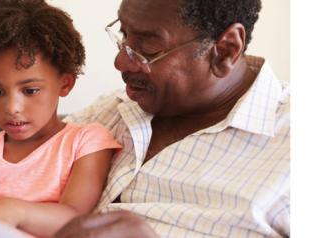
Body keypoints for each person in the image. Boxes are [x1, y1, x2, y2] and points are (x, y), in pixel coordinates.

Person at [54, 0, 290, 237]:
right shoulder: (112, 110)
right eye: (124, 34)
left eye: (149, 46)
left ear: (225, 50)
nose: (120, 62)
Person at [0, 0, 121, 237]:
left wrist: (12, 210)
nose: (12, 108)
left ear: (65, 83)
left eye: (30, 91)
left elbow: (75, 218)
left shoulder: (86, 141)